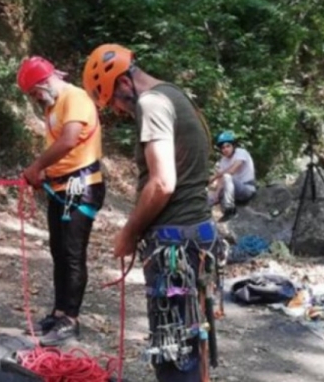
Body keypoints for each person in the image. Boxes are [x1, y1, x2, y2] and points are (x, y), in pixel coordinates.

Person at [83, 44, 218, 382]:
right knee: (193, 340)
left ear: (124, 83)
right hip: (196, 236)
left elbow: (162, 183)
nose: (117, 109)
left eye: (113, 100)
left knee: (173, 351)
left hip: (175, 242)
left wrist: (128, 232)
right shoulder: (174, 94)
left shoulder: (152, 103)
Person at [16, 56, 106, 346]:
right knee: (58, 250)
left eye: (34, 93)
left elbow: (68, 141)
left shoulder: (75, 98)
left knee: (71, 252)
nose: (35, 99)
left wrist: (36, 167)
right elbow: (60, 149)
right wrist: (43, 174)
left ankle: (71, 319)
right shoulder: (53, 106)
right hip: (62, 187)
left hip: (82, 186)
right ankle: (59, 312)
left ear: (44, 83)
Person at [208, 131, 256, 222]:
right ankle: (199, 216)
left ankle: (230, 210)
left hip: (246, 188)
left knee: (227, 176)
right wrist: (216, 195)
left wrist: (214, 177)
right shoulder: (223, 160)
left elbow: (232, 170)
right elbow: (222, 181)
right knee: (211, 195)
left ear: (233, 146)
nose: (225, 149)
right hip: (233, 191)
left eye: (228, 146)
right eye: (223, 147)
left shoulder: (241, 152)